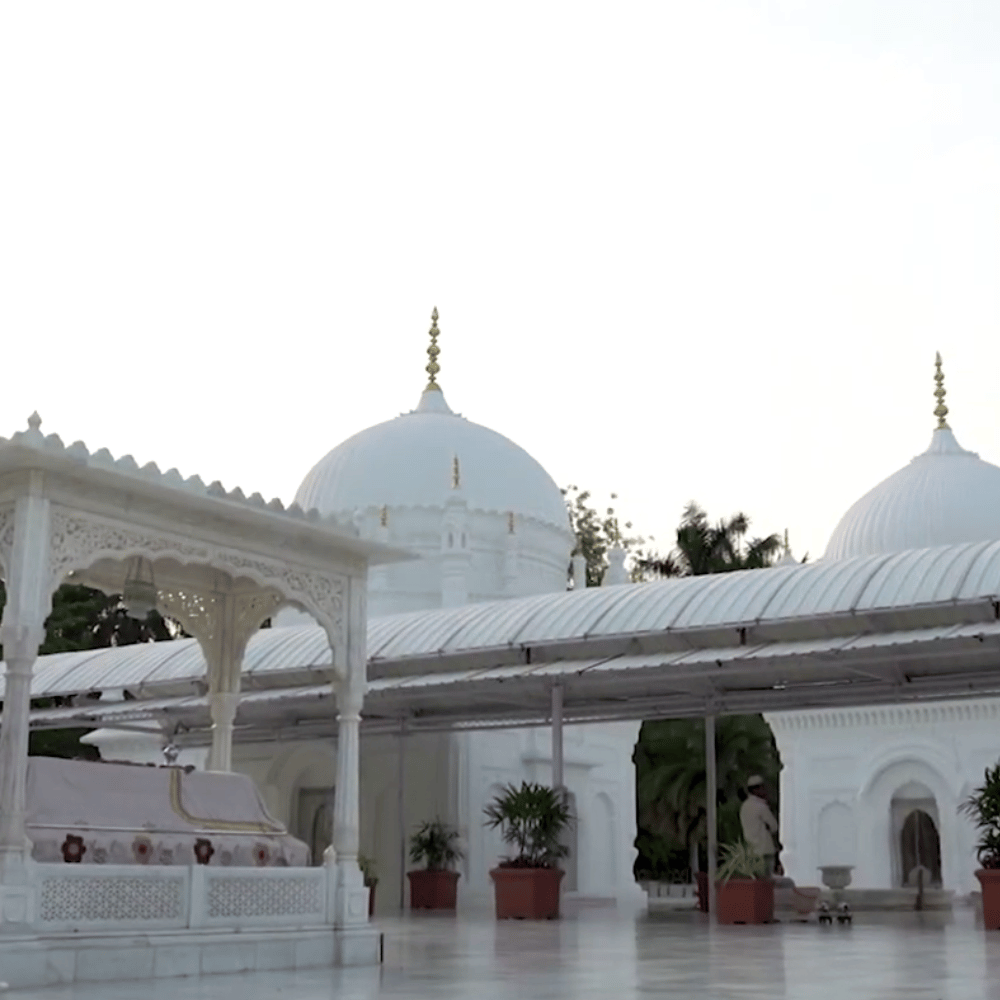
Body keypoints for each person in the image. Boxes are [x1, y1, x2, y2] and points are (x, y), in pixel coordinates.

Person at [739, 775, 780, 876]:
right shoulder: (761, 806)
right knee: (767, 879)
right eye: (762, 787)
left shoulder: (744, 806)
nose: (765, 790)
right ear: (756, 790)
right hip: (765, 849)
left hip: (751, 850)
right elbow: (774, 827)